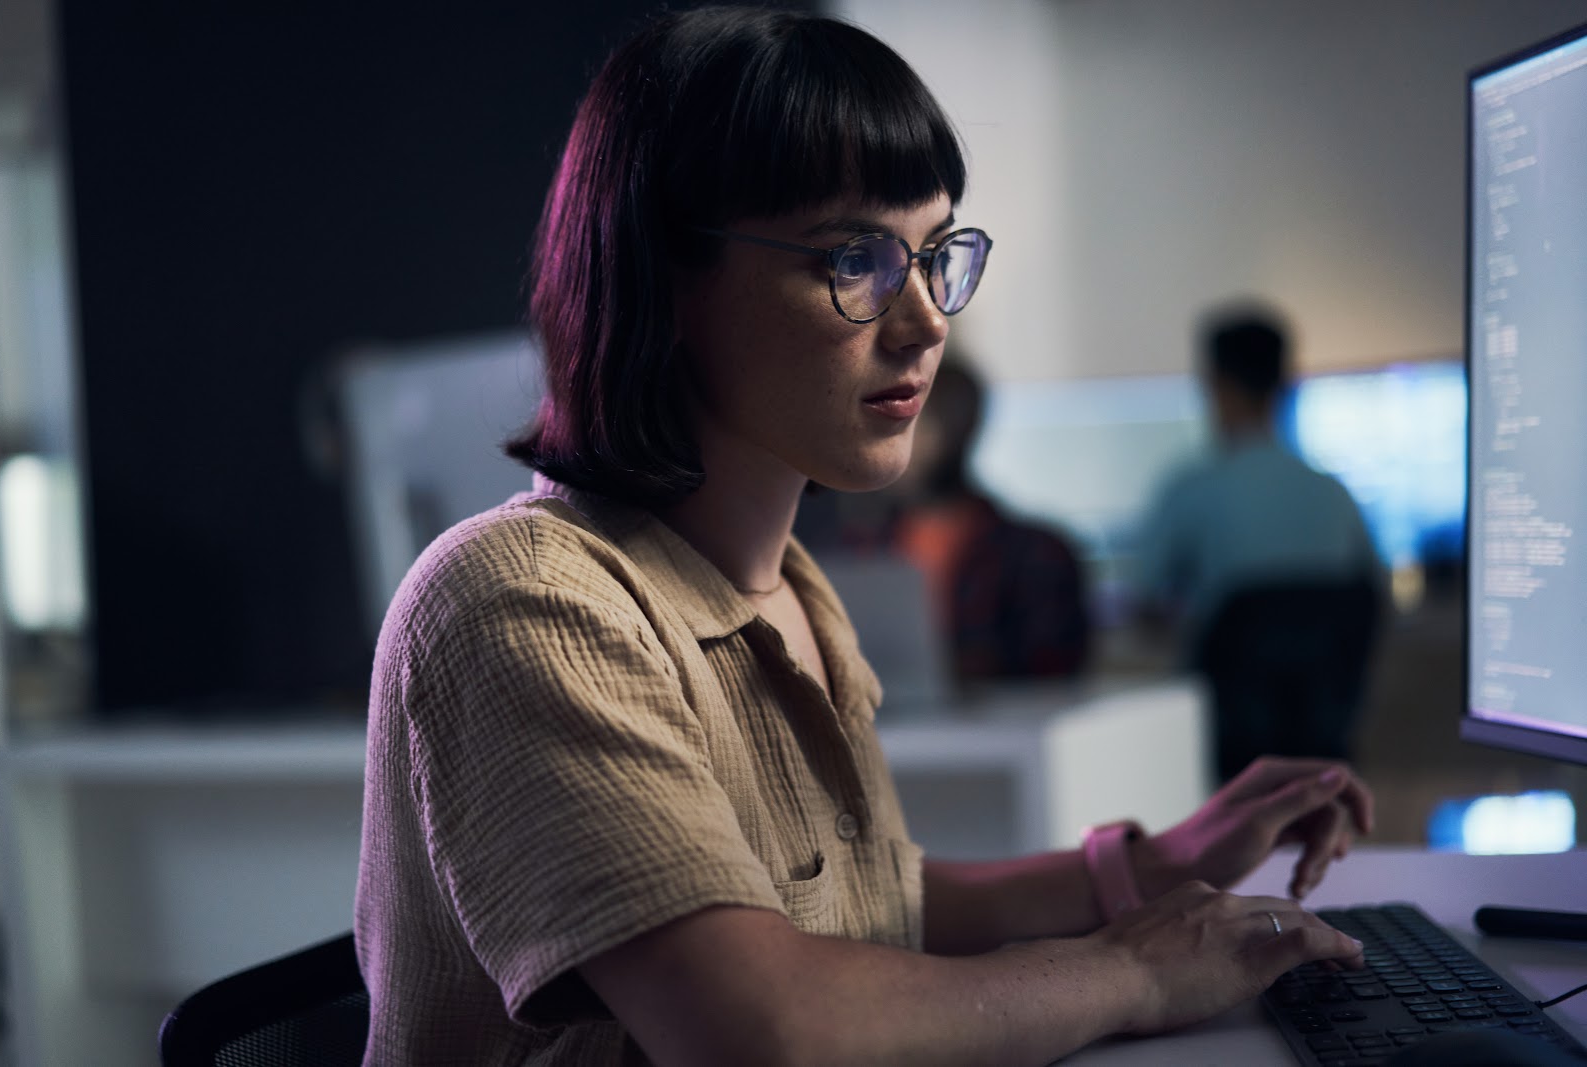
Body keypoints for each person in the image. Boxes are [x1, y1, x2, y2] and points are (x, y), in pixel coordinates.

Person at [355, 10, 1374, 1065]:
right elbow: (763, 1021)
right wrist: (1137, 967)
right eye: (856, 257)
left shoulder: (793, 589)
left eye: (936, 255)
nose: (928, 317)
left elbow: (863, 907)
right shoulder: (520, 598)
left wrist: (1149, 868)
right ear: (664, 276)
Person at [1132, 302, 1384, 780]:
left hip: (1228, 757)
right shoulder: (1334, 492)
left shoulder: (1190, 490)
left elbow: (1146, 608)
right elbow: (1370, 599)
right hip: (1325, 747)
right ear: (1285, 382)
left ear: (1214, 384)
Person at [839, 355, 1093, 679]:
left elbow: (1053, 670)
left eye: (906, 423)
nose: (884, 442)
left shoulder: (1039, 555)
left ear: (955, 430)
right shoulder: (858, 549)